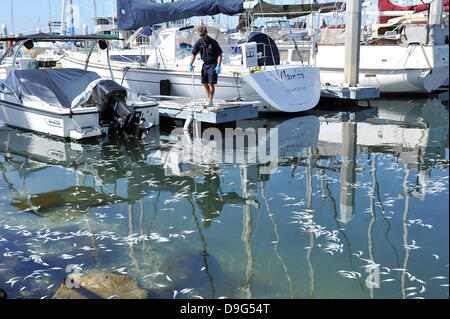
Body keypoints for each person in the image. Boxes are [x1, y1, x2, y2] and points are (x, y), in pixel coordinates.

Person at [189, 26, 223, 108]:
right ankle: (208, 98)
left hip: (213, 64)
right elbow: (194, 54)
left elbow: (219, 55)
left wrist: (218, 65)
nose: (202, 37)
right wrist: (190, 63)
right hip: (205, 64)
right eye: (200, 35)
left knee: (211, 83)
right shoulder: (199, 43)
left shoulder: (213, 42)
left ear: (206, 33)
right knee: (204, 83)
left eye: (203, 35)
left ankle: (210, 101)